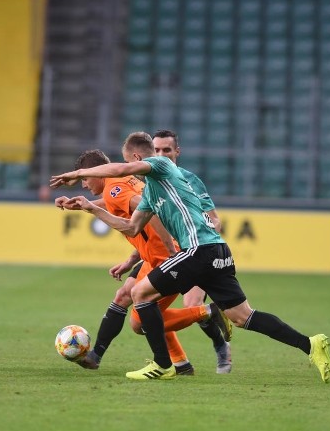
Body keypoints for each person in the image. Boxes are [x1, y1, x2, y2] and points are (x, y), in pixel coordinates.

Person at [51, 131, 330, 383]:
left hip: (198, 251)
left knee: (139, 293)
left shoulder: (161, 166)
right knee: (243, 317)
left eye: (132, 166)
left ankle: (164, 364)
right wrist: (91, 208)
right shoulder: (152, 192)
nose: (130, 175)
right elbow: (131, 226)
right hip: (217, 251)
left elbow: (122, 168)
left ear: (139, 159)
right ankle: (311, 345)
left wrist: (75, 175)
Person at [60, 149, 233, 375]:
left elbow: (148, 209)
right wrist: (86, 205)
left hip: (164, 257)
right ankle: (176, 363)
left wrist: (171, 249)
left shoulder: (115, 189)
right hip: (151, 256)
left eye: (85, 178)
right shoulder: (122, 182)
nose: (83, 184)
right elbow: (119, 203)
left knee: (142, 321)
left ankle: (208, 312)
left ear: (98, 173)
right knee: (124, 296)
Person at [151, 129, 233, 360]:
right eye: (156, 150)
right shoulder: (151, 181)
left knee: (192, 303)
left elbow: (215, 219)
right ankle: (178, 359)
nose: (161, 154)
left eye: (166, 150)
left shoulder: (189, 179)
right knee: (149, 307)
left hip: (196, 252)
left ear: (177, 151)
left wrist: (201, 237)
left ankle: (219, 347)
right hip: (171, 256)